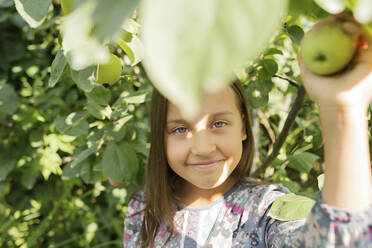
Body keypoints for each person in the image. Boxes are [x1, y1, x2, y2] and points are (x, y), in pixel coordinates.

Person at [123, 18, 372, 247]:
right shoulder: (144, 208)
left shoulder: (265, 210)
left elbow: (338, 240)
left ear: (243, 126)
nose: (203, 147)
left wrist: (342, 110)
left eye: (218, 124)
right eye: (180, 129)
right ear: (160, 137)